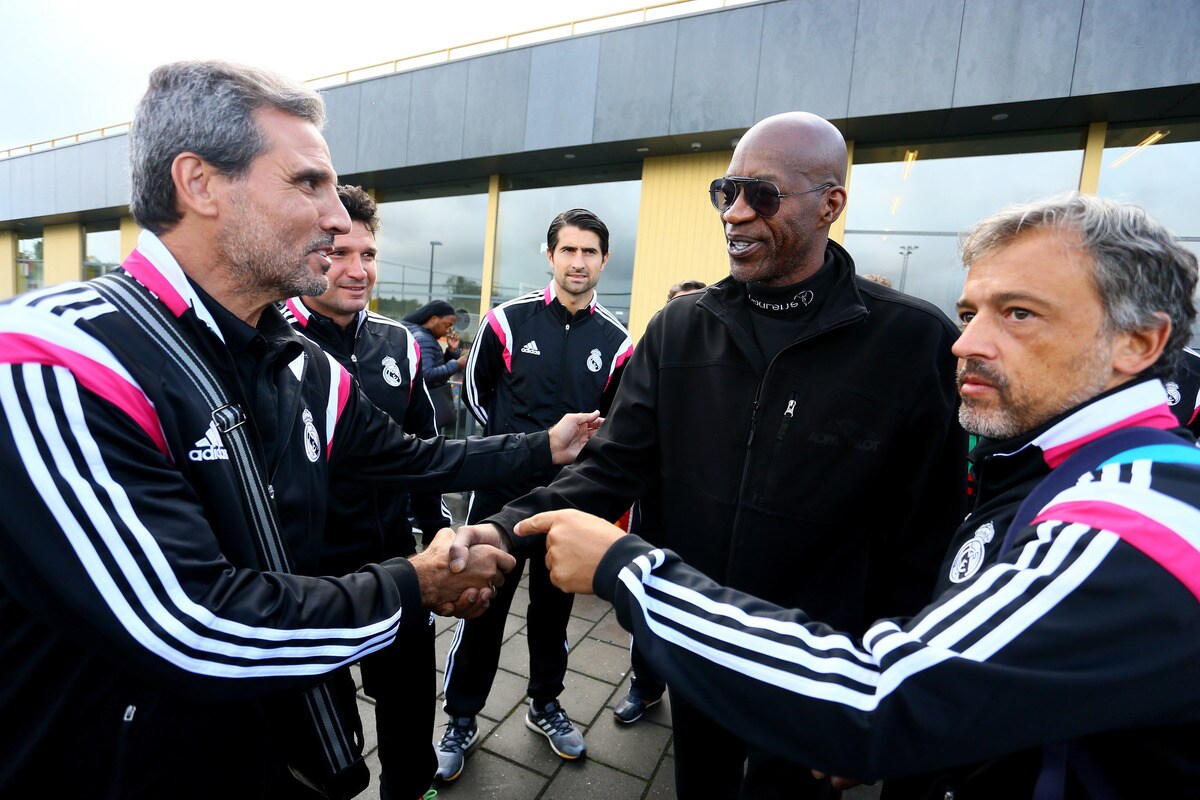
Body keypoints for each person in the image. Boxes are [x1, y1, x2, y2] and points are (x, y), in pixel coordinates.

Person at [0, 60, 599, 799]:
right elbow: (194, 628)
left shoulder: (302, 365)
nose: (338, 219)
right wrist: (418, 582)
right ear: (200, 183)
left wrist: (543, 446)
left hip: (274, 754)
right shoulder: (56, 357)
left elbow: (410, 455)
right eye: (308, 182)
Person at [520, 193, 1200, 798]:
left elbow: (878, 698)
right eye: (969, 312)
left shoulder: (1130, 523)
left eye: (1018, 314)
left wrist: (627, 569)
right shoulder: (1043, 468)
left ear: (1138, 342)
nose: (967, 343)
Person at [451, 112, 967, 800]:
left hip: (816, 670)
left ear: (830, 205)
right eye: (727, 191)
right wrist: (499, 531)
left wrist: (886, 692)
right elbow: (610, 467)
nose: (736, 212)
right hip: (697, 648)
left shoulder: (913, 344)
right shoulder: (679, 330)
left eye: (763, 195)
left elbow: (924, 542)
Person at [434, 208, 633, 782]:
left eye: (589, 251)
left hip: (568, 502)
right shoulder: (506, 321)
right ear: (550, 256)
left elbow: (613, 419)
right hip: (499, 496)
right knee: (481, 604)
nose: (578, 262)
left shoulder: (617, 342)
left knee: (554, 611)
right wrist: (516, 452)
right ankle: (461, 718)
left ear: (604, 260)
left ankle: (545, 704)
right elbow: (477, 395)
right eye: (568, 250)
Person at [281, 184, 450, 798]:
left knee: (409, 708)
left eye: (369, 254)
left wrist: (438, 534)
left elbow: (424, 448)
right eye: (340, 252)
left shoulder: (399, 341)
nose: (358, 270)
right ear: (311, 251)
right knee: (325, 747)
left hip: (394, 562)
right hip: (309, 580)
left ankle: (412, 787)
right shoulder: (269, 339)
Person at [613, 276, 708, 725]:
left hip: (707, 514)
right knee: (647, 598)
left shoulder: (722, 368)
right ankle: (646, 686)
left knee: (701, 606)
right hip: (653, 510)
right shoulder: (648, 359)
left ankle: (701, 695)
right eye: (676, 310)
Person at [403, 300, 466, 431]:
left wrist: (452, 351)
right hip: (424, 407)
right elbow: (426, 374)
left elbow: (435, 366)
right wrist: (458, 364)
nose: (448, 331)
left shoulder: (422, 335)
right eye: (447, 325)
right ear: (433, 319)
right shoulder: (423, 338)